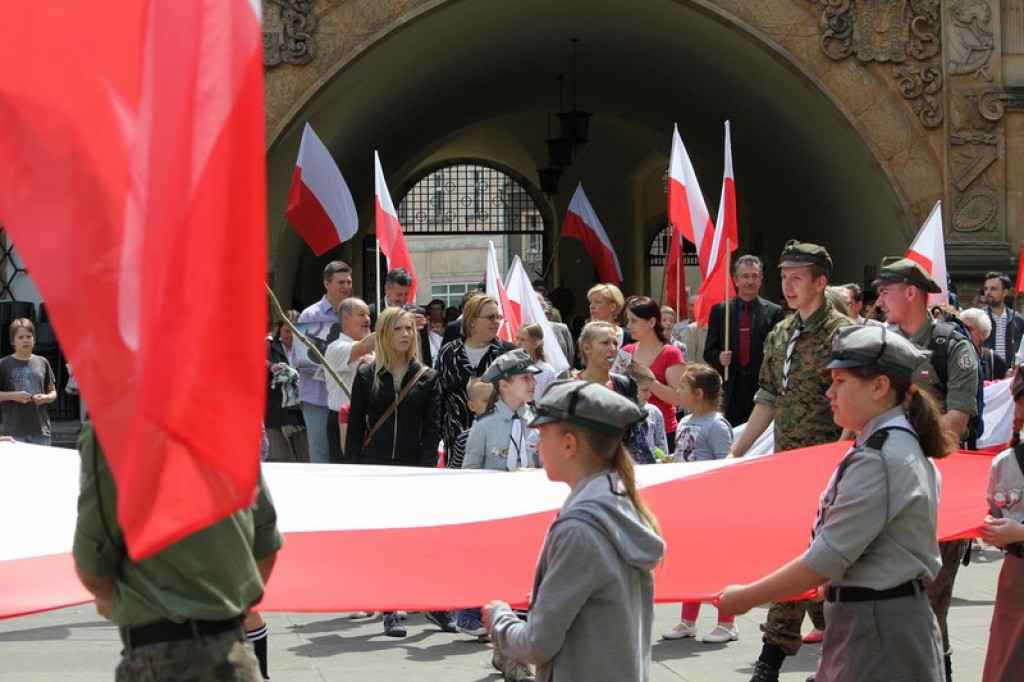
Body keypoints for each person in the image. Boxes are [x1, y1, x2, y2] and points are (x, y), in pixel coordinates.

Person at [718, 325, 953, 682]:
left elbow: (825, 559)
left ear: (879, 387)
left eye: (840, 382)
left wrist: (746, 596)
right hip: (876, 622)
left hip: (879, 628)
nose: (829, 392)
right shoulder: (886, 444)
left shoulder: (881, 457)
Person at [482, 379, 665, 682]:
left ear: (569, 444)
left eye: (542, 434)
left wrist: (499, 618)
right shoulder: (618, 501)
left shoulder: (580, 528)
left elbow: (536, 644)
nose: (537, 445)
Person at [73, 422, 284, 681]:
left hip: (161, 658)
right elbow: (265, 541)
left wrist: (109, 598)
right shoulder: (229, 420)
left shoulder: (113, 426)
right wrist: (231, 610)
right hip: (233, 653)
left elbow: (93, 565)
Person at [728, 241, 849, 682]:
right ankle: (837, 640)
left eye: (798, 277)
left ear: (821, 282)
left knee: (807, 558)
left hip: (826, 467)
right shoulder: (781, 332)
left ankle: (770, 658)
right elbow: (768, 397)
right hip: (788, 468)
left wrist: (842, 454)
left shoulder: (843, 334)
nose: (788, 285)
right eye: (784, 276)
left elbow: (851, 402)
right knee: (800, 557)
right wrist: (736, 452)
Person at [873, 258, 980, 679]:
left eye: (886, 291)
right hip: (887, 483)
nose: (879, 300)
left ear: (910, 293)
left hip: (938, 485)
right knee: (907, 595)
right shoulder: (880, 345)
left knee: (931, 594)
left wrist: (903, 447)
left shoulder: (951, 345)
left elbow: (956, 421)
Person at [343, 307, 455, 638]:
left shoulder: (428, 377)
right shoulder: (366, 376)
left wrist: (424, 471)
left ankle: (435, 605)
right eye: (398, 329)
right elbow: (355, 428)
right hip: (374, 468)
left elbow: (432, 428)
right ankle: (391, 610)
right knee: (386, 542)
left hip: (412, 468)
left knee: (422, 542)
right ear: (384, 334)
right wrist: (350, 472)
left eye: (409, 329)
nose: (406, 334)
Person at [459, 350, 541, 682]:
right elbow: (469, 475)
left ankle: (515, 652)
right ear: (504, 385)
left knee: (528, 591)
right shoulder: (485, 427)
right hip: (499, 521)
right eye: (525, 378)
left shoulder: (539, 424)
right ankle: (510, 658)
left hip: (533, 519)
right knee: (501, 592)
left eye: (533, 377)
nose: (533, 383)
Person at [662, 364, 736, 644]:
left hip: (710, 506)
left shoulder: (716, 425)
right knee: (689, 561)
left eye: (682, 387)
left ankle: (727, 622)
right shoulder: (684, 422)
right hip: (686, 503)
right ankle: (688, 619)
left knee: (717, 562)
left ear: (699, 392)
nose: (677, 391)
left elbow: (726, 463)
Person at [704, 255, 784, 427]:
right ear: (736, 280)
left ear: (761, 279)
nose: (750, 281)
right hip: (731, 386)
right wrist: (719, 357)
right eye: (745, 276)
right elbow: (708, 351)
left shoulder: (774, 312)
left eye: (755, 276)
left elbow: (779, 352)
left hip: (761, 387)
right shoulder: (720, 311)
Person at [436, 295, 515, 469]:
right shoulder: (448, 353)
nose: (496, 322)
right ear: (472, 321)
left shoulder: (508, 354)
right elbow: (439, 399)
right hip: (456, 442)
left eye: (498, 317)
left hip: (496, 443)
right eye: (490, 317)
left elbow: (516, 399)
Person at [980, 367, 1024, 681]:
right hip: (1017, 579)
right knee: (1009, 663)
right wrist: (996, 532)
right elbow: (995, 511)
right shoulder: (1006, 462)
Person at [296, 260, 353, 463]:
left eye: (348, 281)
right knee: (321, 454)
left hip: (346, 398)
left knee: (345, 453)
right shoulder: (310, 315)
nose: (346, 287)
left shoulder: (355, 312)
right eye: (341, 282)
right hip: (317, 397)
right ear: (327, 284)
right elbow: (300, 358)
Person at [622, 296, 685, 451]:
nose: (629, 325)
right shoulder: (625, 351)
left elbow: (679, 398)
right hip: (629, 429)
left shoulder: (671, 353)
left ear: (651, 322)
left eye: (634, 320)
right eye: (628, 320)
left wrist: (649, 382)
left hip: (662, 432)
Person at [324, 298, 376, 462]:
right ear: (345, 318)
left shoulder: (374, 350)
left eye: (368, 315)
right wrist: (393, 327)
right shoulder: (335, 348)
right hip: (342, 422)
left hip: (368, 421)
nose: (367, 319)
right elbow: (362, 348)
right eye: (361, 315)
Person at [0, 318, 57, 445]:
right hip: (14, 431)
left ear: (34, 339)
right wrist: (13, 396)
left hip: (41, 430)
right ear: (12, 341)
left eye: (29, 336)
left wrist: (45, 398)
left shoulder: (43, 362)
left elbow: (52, 391)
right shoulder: (4, 364)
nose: (25, 340)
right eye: (20, 337)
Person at [265, 317, 309, 462]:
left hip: (300, 411)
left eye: (294, 331)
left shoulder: (307, 347)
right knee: (279, 455)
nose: (290, 335)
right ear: (280, 330)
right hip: (277, 408)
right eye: (287, 331)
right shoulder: (269, 346)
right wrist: (271, 366)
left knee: (304, 454)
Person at [623, 363, 668, 459]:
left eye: (650, 390)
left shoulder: (654, 412)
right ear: (630, 388)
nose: (650, 394)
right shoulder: (619, 412)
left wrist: (664, 459)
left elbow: (661, 443)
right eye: (644, 390)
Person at [982, 271, 1024, 370]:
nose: (988, 292)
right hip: (987, 375)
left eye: (993, 289)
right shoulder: (979, 317)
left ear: (1005, 292)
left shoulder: (1017, 319)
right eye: (986, 288)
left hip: (1012, 377)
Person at [961, 307, 1008, 381]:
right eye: (961, 328)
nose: (964, 332)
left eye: (970, 329)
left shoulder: (995, 361)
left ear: (983, 333)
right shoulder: (953, 357)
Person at [516, 323, 558, 400]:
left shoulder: (548, 372)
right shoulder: (511, 368)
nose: (518, 343)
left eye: (523, 340)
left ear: (536, 344)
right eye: (517, 338)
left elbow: (553, 402)